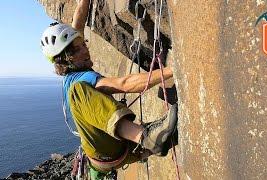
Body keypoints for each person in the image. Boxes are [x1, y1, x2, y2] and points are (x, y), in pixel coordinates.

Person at [40, 0, 178, 178]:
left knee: (173, 128)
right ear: (68, 58)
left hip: (119, 151)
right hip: (106, 153)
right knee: (77, 93)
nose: (86, 49)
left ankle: (161, 138)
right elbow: (124, 84)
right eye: (79, 48)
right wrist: (173, 70)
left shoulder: (74, 65)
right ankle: (146, 137)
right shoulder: (80, 83)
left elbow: (78, 22)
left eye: (83, 43)